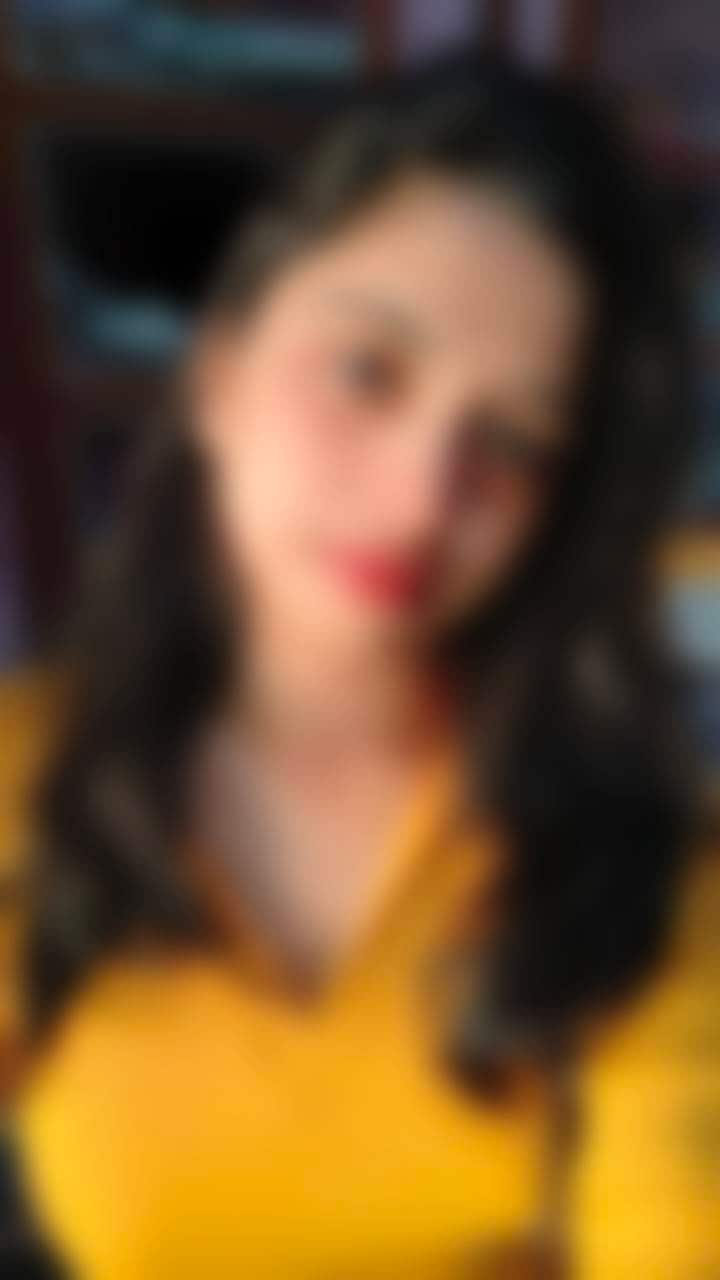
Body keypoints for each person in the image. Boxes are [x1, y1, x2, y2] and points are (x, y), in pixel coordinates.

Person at [2, 48, 718, 1280]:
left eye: (514, 441)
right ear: (218, 373)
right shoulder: (34, 775)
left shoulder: (631, 847)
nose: (423, 495)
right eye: (367, 371)